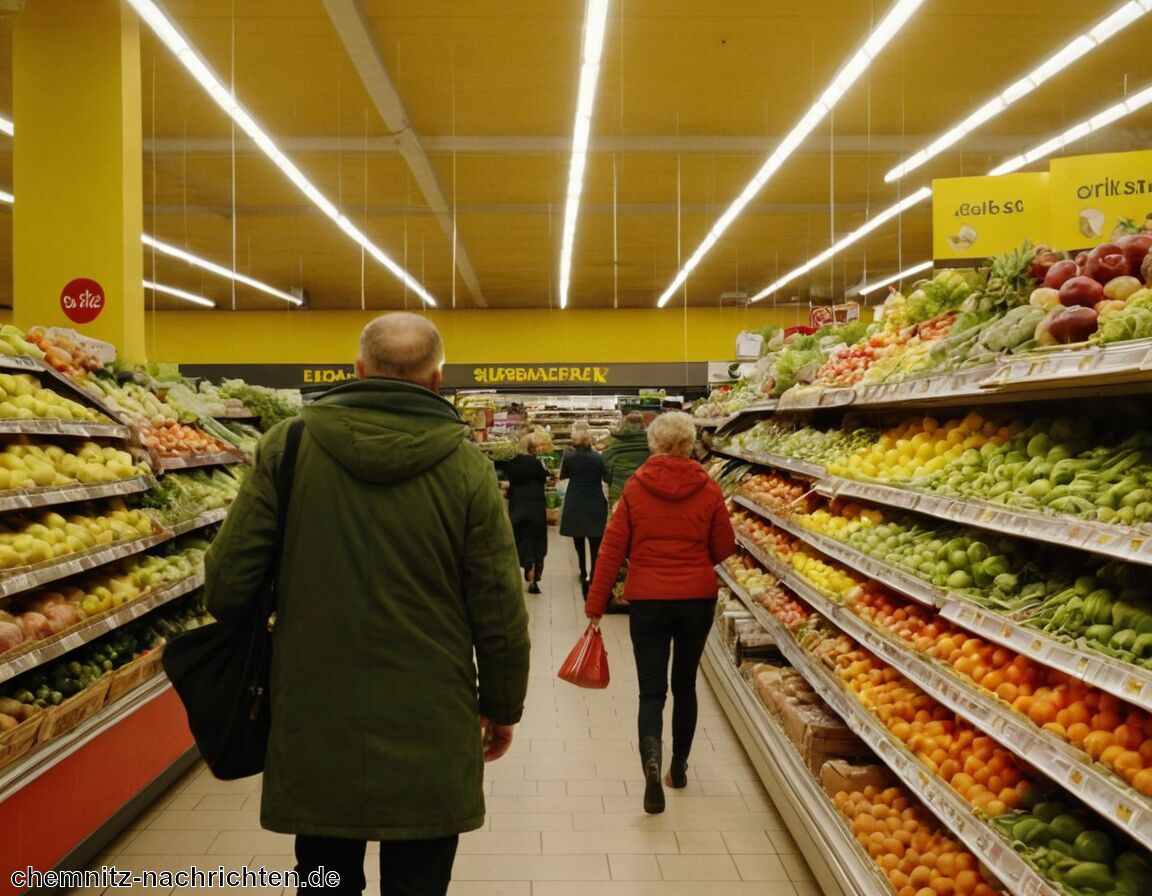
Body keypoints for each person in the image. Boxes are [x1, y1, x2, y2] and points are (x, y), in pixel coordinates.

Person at [202, 312, 531, 896]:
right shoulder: (468, 468)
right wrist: (502, 704)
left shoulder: (290, 446)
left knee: (325, 876)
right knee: (419, 880)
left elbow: (228, 586)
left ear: (356, 370)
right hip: (433, 711)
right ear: (436, 380)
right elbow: (500, 610)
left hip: (314, 710)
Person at [583, 411, 735, 815]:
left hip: (648, 600)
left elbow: (611, 550)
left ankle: (650, 763)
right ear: (689, 445)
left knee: (652, 692)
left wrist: (596, 605)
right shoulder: (709, 488)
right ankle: (678, 768)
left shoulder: (634, 489)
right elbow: (725, 546)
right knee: (685, 685)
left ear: (653, 444)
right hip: (696, 600)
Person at [558, 420, 607, 594]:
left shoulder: (569, 457)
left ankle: (582, 571)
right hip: (595, 501)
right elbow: (606, 476)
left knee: (578, 541)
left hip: (575, 501)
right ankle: (594, 573)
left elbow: (563, 475)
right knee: (595, 542)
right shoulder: (599, 458)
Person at [497, 433, 549, 593]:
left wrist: (507, 492)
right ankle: (535, 572)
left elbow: (510, 484)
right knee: (538, 541)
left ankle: (527, 564)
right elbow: (543, 480)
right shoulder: (537, 465)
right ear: (531, 449)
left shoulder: (513, 464)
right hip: (537, 508)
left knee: (520, 539)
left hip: (518, 508)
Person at [601, 411, 651, 508]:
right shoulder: (650, 443)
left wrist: (611, 481)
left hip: (618, 491)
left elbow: (604, 465)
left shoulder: (615, 442)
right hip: (643, 490)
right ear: (642, 424)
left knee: (618, 519)